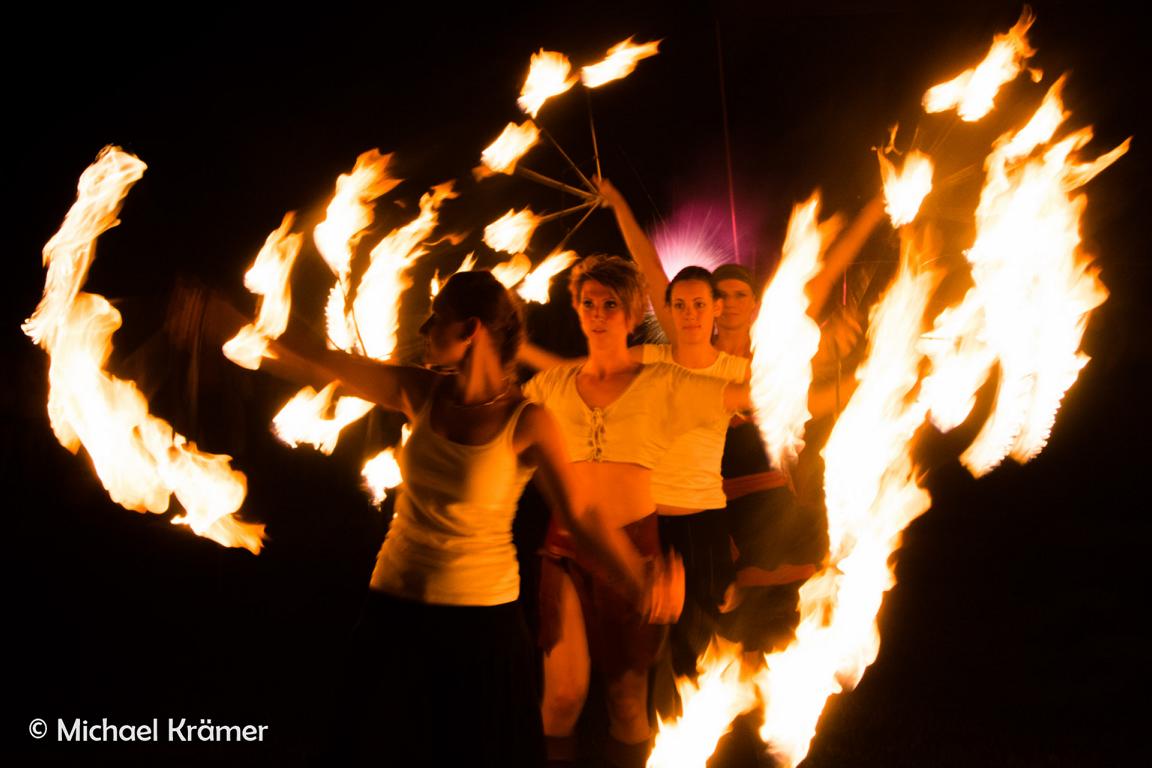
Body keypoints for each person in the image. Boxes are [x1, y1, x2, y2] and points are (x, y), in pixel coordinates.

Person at [186, 271, 680, 765]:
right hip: (392, 613)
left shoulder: (528, 421)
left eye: (435, 318)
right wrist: (237, 323)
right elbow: (323, 363)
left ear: (470, 330)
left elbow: (581, 513)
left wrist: (639, 577)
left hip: (481, 627)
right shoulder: (420, 391)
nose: (424, 329)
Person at [525, 254, 750, 768]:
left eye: (610, 304)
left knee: (627, 702)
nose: (598, 313)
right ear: (577, 310)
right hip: (565, 550)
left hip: (637, 550)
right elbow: (499, 428)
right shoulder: (551, 387)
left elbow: (750, 395)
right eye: (588, 303)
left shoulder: (664, 383)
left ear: (631, 314)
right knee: (562, 697)